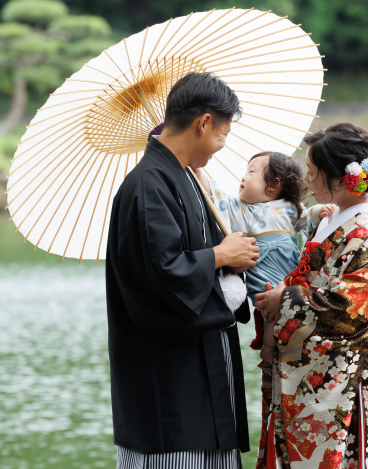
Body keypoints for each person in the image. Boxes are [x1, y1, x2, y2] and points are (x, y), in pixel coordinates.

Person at [106, 72, 259, 468]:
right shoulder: (147, 186)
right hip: (170, 386)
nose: (220, 148)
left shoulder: (185, 178)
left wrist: (230, 250)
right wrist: (221, 257)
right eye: (222, 136)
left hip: (202, 374)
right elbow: (163, 272)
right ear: (203, 123)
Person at [252, 123, 368, 469]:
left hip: (351, 377)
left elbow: (350, 310)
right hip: (319, 373)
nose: (307, 181)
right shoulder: (332, 219)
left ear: (342, 180)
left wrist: (284, 301)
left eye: (313, 173)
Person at [192, 153, 336, 364]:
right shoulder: (239, 208)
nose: (242, 177)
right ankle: (268, 347)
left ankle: (300, 342)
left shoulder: (288, 207)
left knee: (293, 305)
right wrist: (196, 169)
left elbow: (306, 218)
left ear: (273, 184)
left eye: (250, 172)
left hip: (287, 270)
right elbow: (213, 191)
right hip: (261, 273)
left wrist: (320, 211)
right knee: (270, 314)